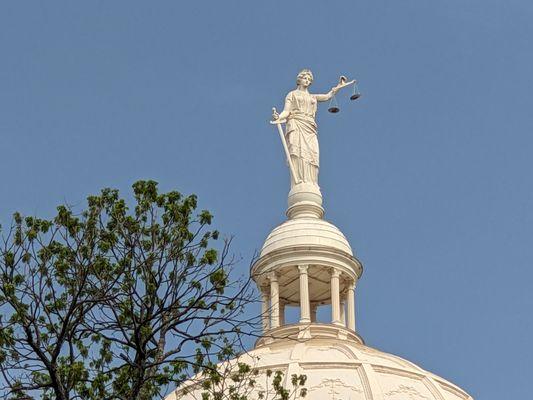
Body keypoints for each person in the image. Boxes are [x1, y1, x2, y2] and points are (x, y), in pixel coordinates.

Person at [272, 69, 342, 188]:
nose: (307, 81)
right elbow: (286, 111)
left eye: (309, 80)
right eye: (305, 78)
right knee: (298, 152)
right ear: (299, 79)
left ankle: (311, 182)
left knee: (312, 154)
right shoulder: (292, 94)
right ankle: (298, 181)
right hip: (296, 124)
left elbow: (327, 96)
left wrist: (339, 87)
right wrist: (279, 116)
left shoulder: (312, 97)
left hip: (309, 127)